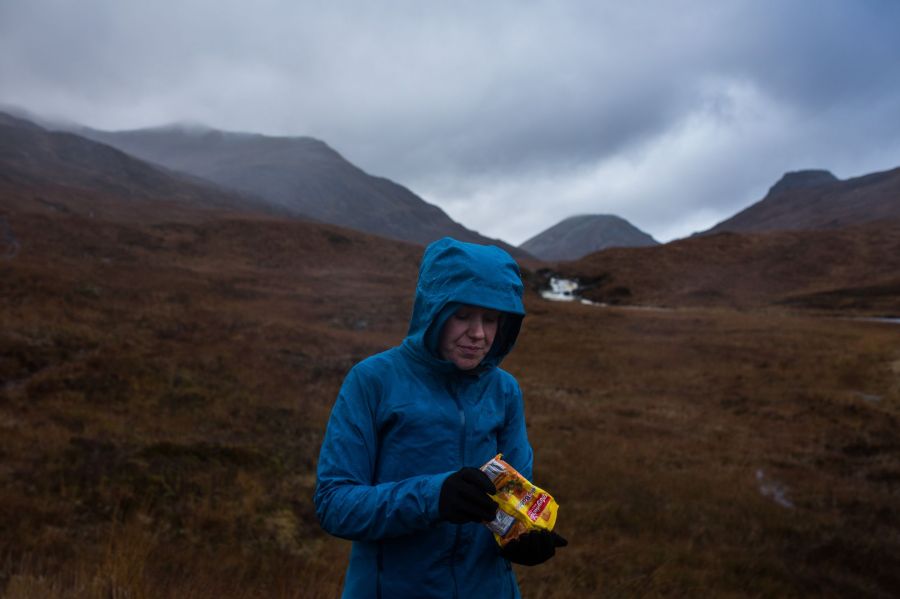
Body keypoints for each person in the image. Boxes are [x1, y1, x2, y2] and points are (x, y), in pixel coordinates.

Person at [314, 237, 567, 598]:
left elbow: (517, 500)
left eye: (491, 319)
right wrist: (434, 497)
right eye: (462, 315)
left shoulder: (505, 391)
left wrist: (523, 539)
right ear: (432, 311)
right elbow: (334, 504)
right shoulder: (373, 381)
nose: (478, 333)